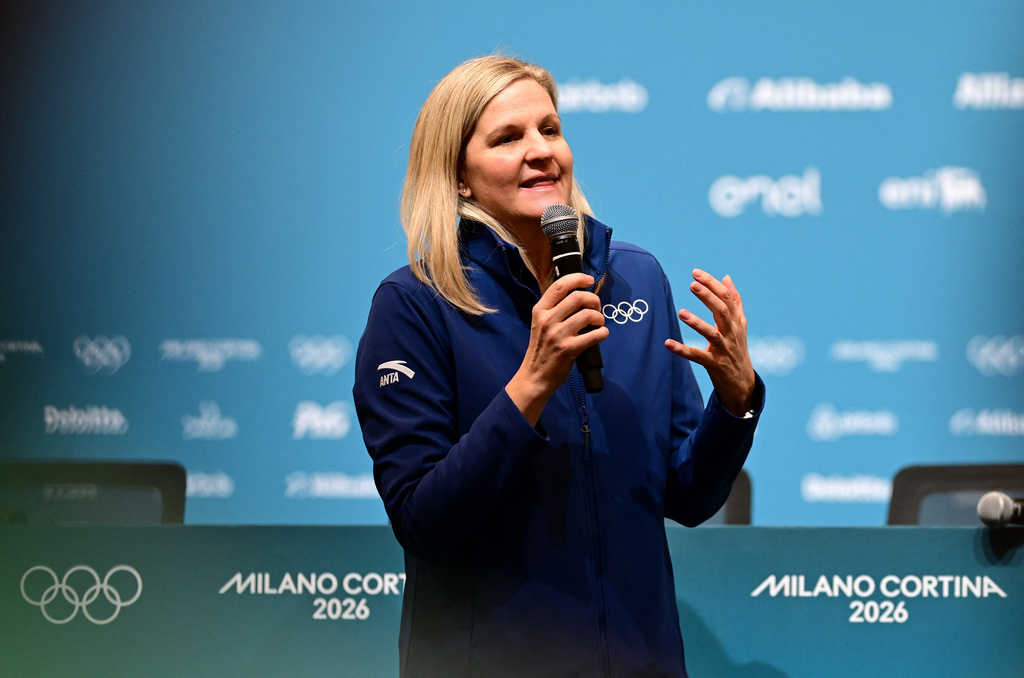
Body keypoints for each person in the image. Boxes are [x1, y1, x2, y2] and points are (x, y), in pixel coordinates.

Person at [352, 54, 764, 678]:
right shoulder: (415, 305)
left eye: (550, 129)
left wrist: (735, 402)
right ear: (458, 176)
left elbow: (687, 494)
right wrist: (531, 385)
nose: (541, 150)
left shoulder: (636, 278)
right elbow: (423, 520)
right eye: (508, 138)